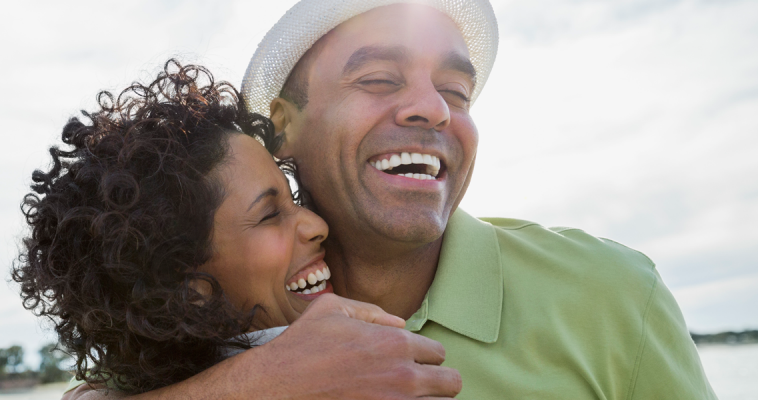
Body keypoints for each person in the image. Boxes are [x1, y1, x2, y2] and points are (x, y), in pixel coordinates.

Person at [61, 0, 716, 398]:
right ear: (283, 127)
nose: (433, 109)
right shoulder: (221, 319)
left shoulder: (615, 297)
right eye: (379, 78)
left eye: (456, 92)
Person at [13, 60, 413, 395]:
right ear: (190, 291)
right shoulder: (362, 373)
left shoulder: (119, 388)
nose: (316, 224)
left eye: (292, 197)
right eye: (270, 214)